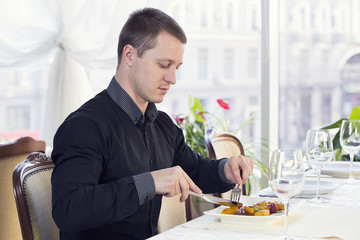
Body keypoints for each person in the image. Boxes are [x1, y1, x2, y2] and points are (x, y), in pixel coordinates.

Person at [51, 7, 254, 240]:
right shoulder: (84, 126)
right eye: (163, 65)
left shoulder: (162, 125)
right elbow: (68, 209)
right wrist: (149, 182)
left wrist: (225, 169)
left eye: (176, 68)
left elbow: (194, 171)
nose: (172, 79)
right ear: (129, 55)